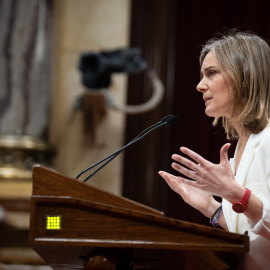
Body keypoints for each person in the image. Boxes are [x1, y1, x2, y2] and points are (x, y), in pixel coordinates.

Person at [159, 31, 270, 270]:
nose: (200, 86)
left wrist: (236, 194)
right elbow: (251, 235)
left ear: (244, 75)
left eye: (211, 73)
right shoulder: (243, 145)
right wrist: (209, 206)